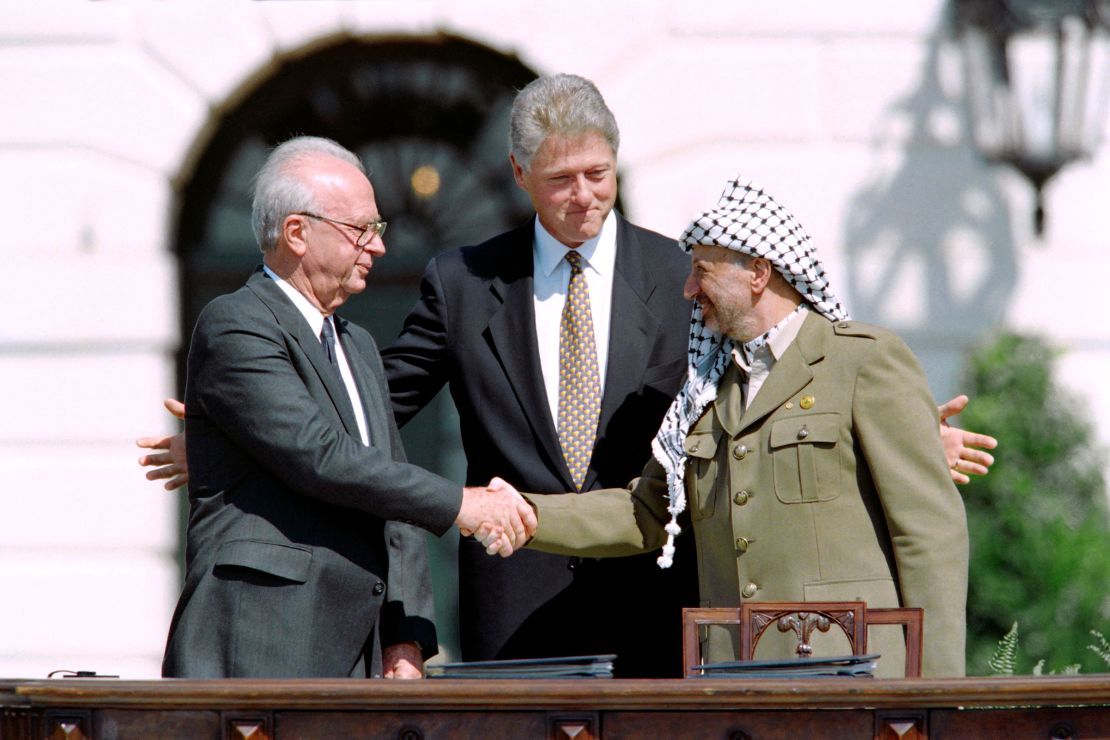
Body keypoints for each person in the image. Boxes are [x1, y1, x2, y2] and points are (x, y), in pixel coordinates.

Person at [140, 75, 995, 677]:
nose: (584, 196)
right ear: (520, 178)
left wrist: (900, 436)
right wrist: (241, 436)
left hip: (673, 607)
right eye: (561, 180)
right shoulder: (464, 280)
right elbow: (371, 412)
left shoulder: (683, 274)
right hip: (517, 608)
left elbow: (760, 402)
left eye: (599, 175)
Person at [486, 176, 972, 677]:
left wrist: (935, 694)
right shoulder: (704, 389)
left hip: (850, 674)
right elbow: (645, 511)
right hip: (732, 678)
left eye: (701, 271)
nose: (688, 288)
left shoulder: (861, 362)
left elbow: (929, 534)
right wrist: (526, 514)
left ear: (758, 273)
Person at [161, 136, 534, 679]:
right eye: (362, 230)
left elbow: (389, 482)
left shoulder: (356, 343)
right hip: (260, 643)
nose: (379, 246)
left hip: (355, 654)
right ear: (297, 233)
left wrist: (408, 637)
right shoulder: (235, 322)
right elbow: (321, 456)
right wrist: (462, 503)